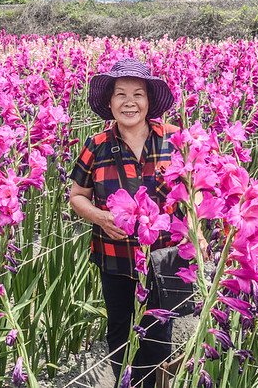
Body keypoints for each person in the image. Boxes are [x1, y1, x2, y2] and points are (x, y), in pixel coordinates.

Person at [69, 58, 180, 388]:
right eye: (120, 94)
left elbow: (195, 191)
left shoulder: (175, 140)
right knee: (119, 331)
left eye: (138, 94)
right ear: (109, 102)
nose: (129, 102)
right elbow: (77, 195)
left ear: (149, 102)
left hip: (163, 258)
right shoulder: (97, 145)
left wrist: (198, 234)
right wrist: (100, 217)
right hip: (115, 259)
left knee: (158, 334)